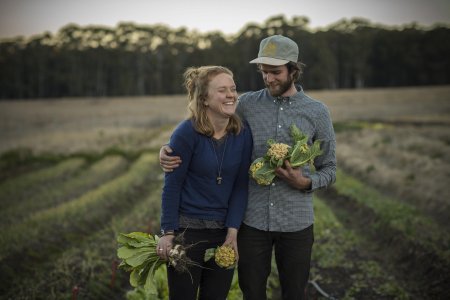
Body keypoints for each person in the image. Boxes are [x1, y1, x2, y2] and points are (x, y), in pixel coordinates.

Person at [160, 35, 336, 300]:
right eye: (264, 72)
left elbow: (330, 168)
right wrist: (166, 149)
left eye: (275, 72)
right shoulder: (247, 105)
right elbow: (206, 122)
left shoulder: (317, 112)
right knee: (252, 293)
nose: (268, 79)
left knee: (294, 293)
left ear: (293, 70)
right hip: (251, 224)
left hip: (297, 222)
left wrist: (306, 183)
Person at [156, 65, 253, 300]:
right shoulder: (186, 133)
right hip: (187, 234)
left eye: (233, 88)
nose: (231, 94)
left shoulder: (243, 133)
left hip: (223, 234)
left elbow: (241, 185)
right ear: (205, 99)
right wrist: (168, 232)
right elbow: (172, 185)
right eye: (222, 90)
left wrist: (232, 232)